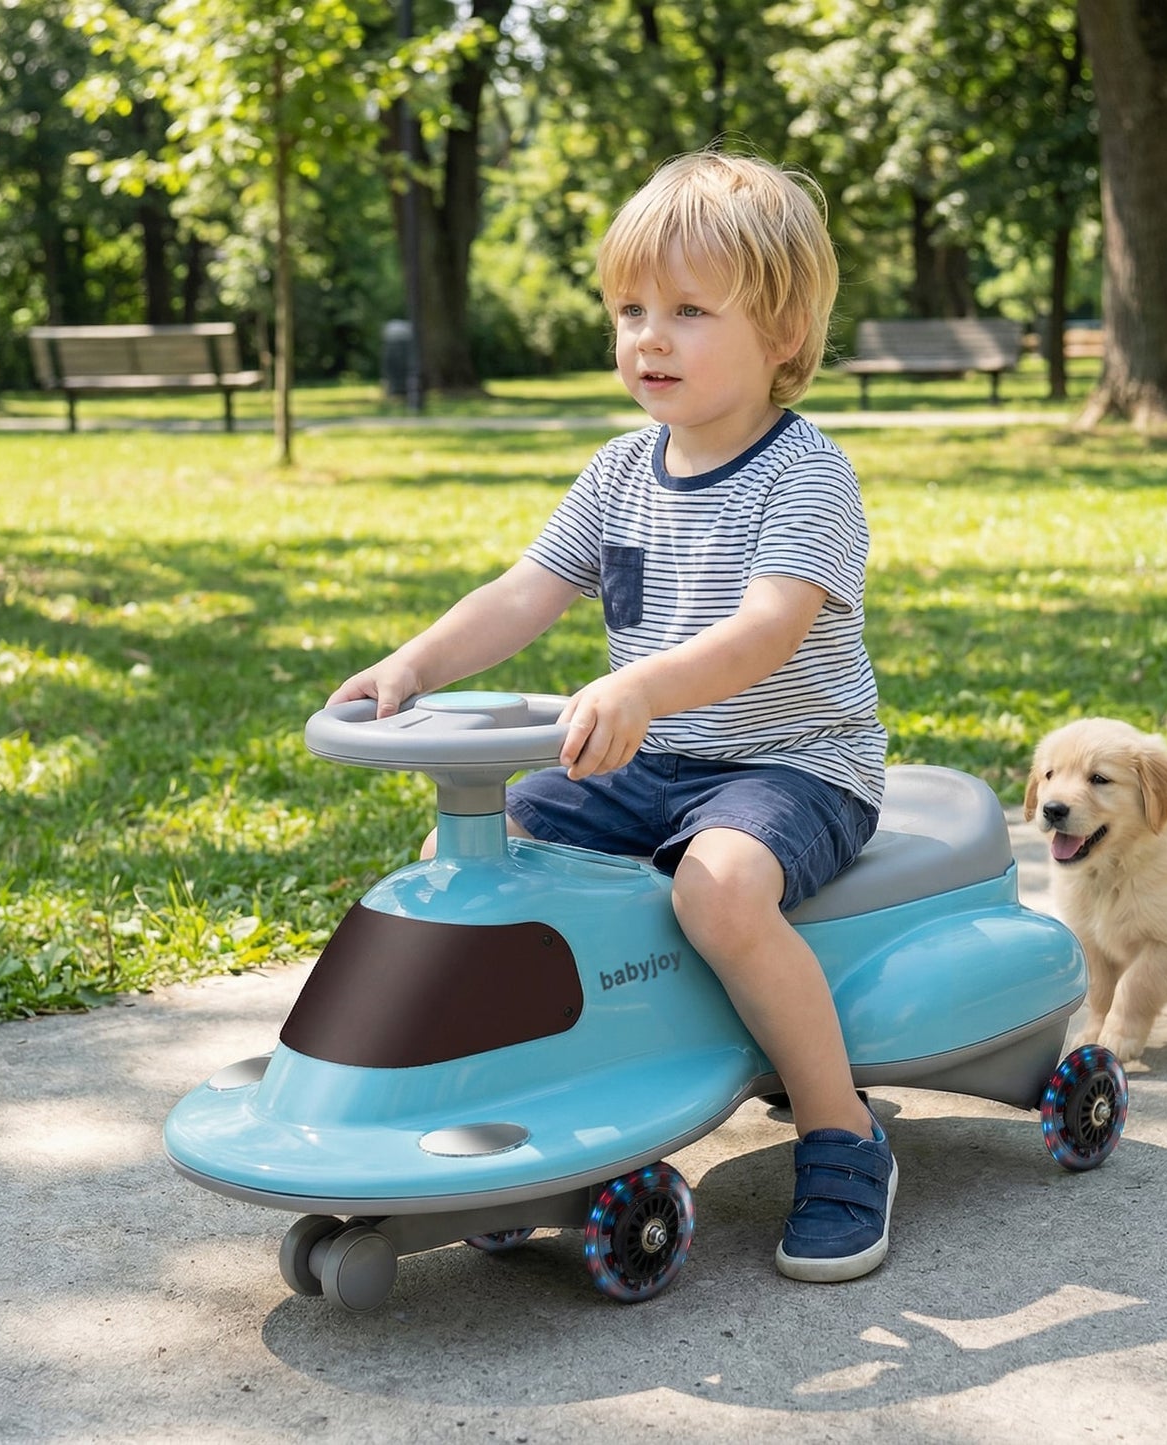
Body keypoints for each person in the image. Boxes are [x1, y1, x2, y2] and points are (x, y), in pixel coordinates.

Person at [328, 151, 895, 1283]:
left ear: (783, 333)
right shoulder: (618, 471)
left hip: (793, 761)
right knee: (479, 854)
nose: (648, 336)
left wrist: (639, 686)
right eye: (631, 308)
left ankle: (839, 1130)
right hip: (650, 760)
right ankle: (528, 1090)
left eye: (688, 311)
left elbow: (764, 632)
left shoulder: (806, 476)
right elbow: (522, 592)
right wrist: (410, 667)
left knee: (717, 886)